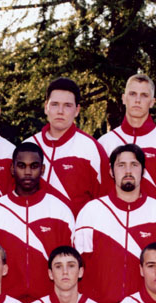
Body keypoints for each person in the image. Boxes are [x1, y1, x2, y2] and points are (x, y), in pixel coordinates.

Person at [73, 143, 156, 303]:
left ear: (143, 171)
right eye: (121, 165)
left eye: (134, 165)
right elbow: (78, 267)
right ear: (111, 171)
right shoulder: (91, 212)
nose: (128, 171)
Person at [0, 142, 75, 303]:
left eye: (33, 166)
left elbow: (71, 262)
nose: (27, 172)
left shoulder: (60, 211)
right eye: (21, 166)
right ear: (12, 168)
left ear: (43, 169)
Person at [98, 73, 156, 209]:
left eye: (144, 95)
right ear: (124, 99)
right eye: (132, 94)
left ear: (152, 102)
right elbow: (95, 192)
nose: (137, 100)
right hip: (112, 227)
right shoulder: (104, 144)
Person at [25, 78, 111, 215]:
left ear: (77, 110)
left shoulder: (92, 148)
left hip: (76, 234)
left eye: (67, 105)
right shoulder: (28, 146)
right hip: (32, 233)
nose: (60, 111)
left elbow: (106, 200)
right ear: (46, 107)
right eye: (54, 104)